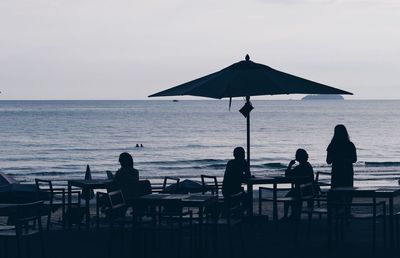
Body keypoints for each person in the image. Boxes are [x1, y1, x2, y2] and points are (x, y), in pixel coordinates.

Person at [283, 148, 314, 220]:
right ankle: (293, 216)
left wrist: (290, 165)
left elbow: (288, 175)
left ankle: (288, 216)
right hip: (309, 190)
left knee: (288, 198)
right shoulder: (308, 165)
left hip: (301, 191)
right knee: (292, 195)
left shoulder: (300, 167)